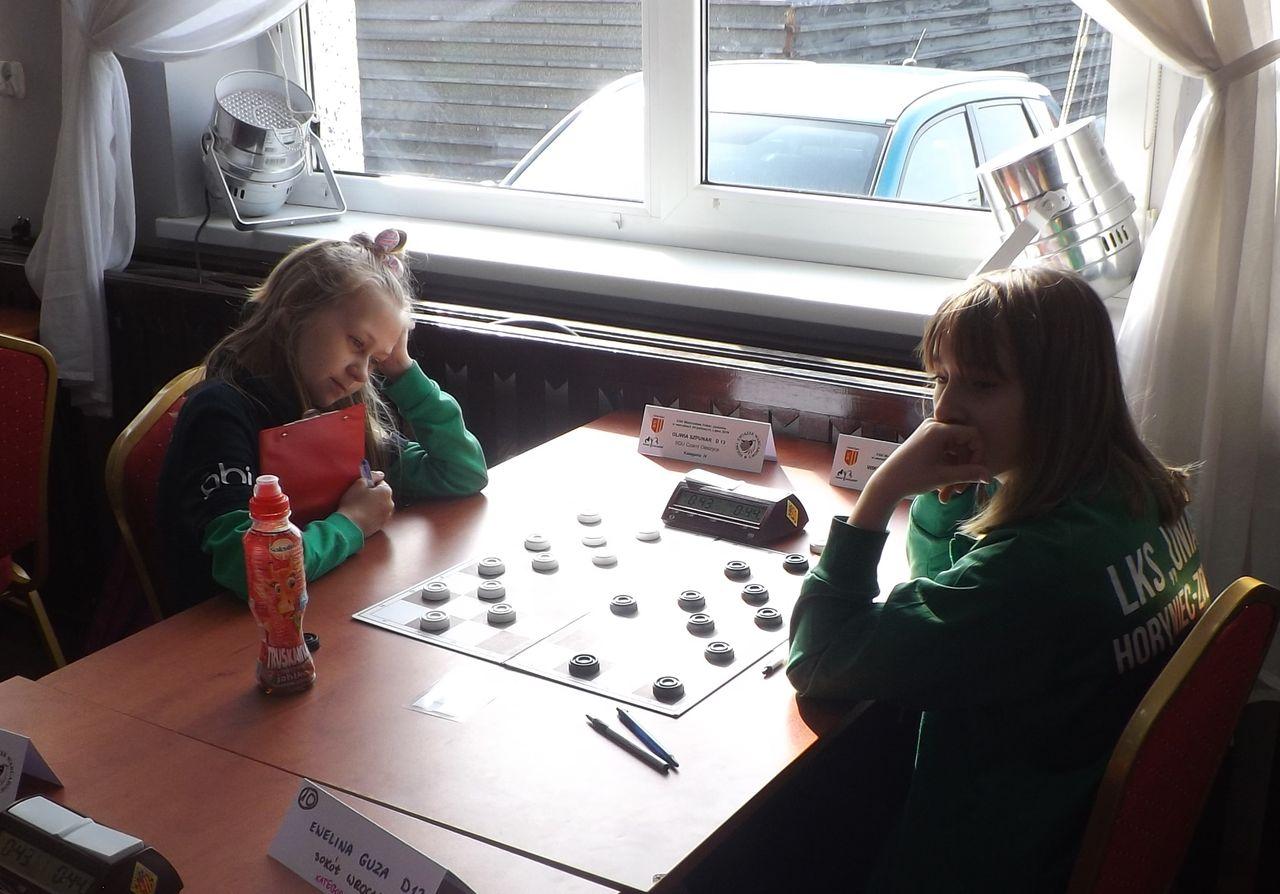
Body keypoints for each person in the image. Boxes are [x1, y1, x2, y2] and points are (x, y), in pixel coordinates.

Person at [787, 265, 1208, 893]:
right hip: (1066, 821)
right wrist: (952, 485)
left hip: (987, 860)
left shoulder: (1033, 573)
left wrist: (879, 494)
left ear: (1061, 396)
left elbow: (819, 656)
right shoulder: (1139, 496)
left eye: (982, 384)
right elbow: (947, 588)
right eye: (941, 378)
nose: (945, 410)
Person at [157, 231, 488, 613]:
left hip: (317, 610)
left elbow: (462, 473)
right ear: (293, 314)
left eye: (376, 361)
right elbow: (253, 571)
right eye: (357, 344)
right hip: (226, 634)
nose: (361, 373)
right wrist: (352, 522)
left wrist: (402, 369)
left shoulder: (333, 409)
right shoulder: (220, 413)